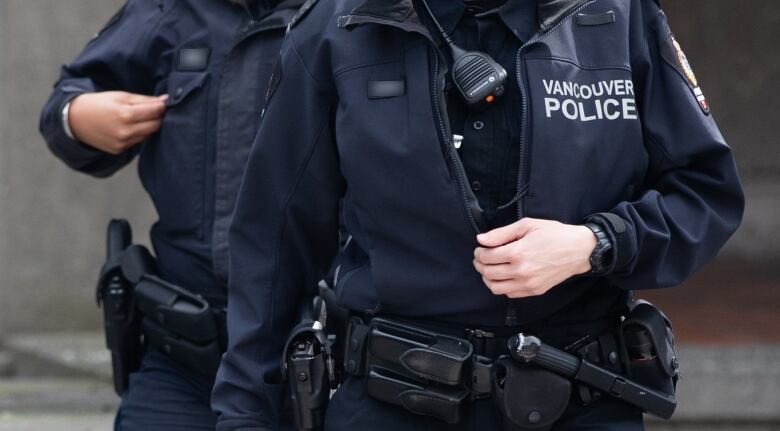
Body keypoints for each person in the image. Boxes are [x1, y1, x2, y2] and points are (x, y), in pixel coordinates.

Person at [212, 0, 745, 429]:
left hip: (580, 398)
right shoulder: (336, 27)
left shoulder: (619, 17)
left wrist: (594, 243)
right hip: (393, 399)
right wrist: (245, 414)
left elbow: (704, 191)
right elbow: (273, 239)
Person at [39, 0, 305, 429]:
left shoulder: (353, 15)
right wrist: (79, 117)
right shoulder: (169, 10)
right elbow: (66, 100)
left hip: (316, 354)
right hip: (186, 353)